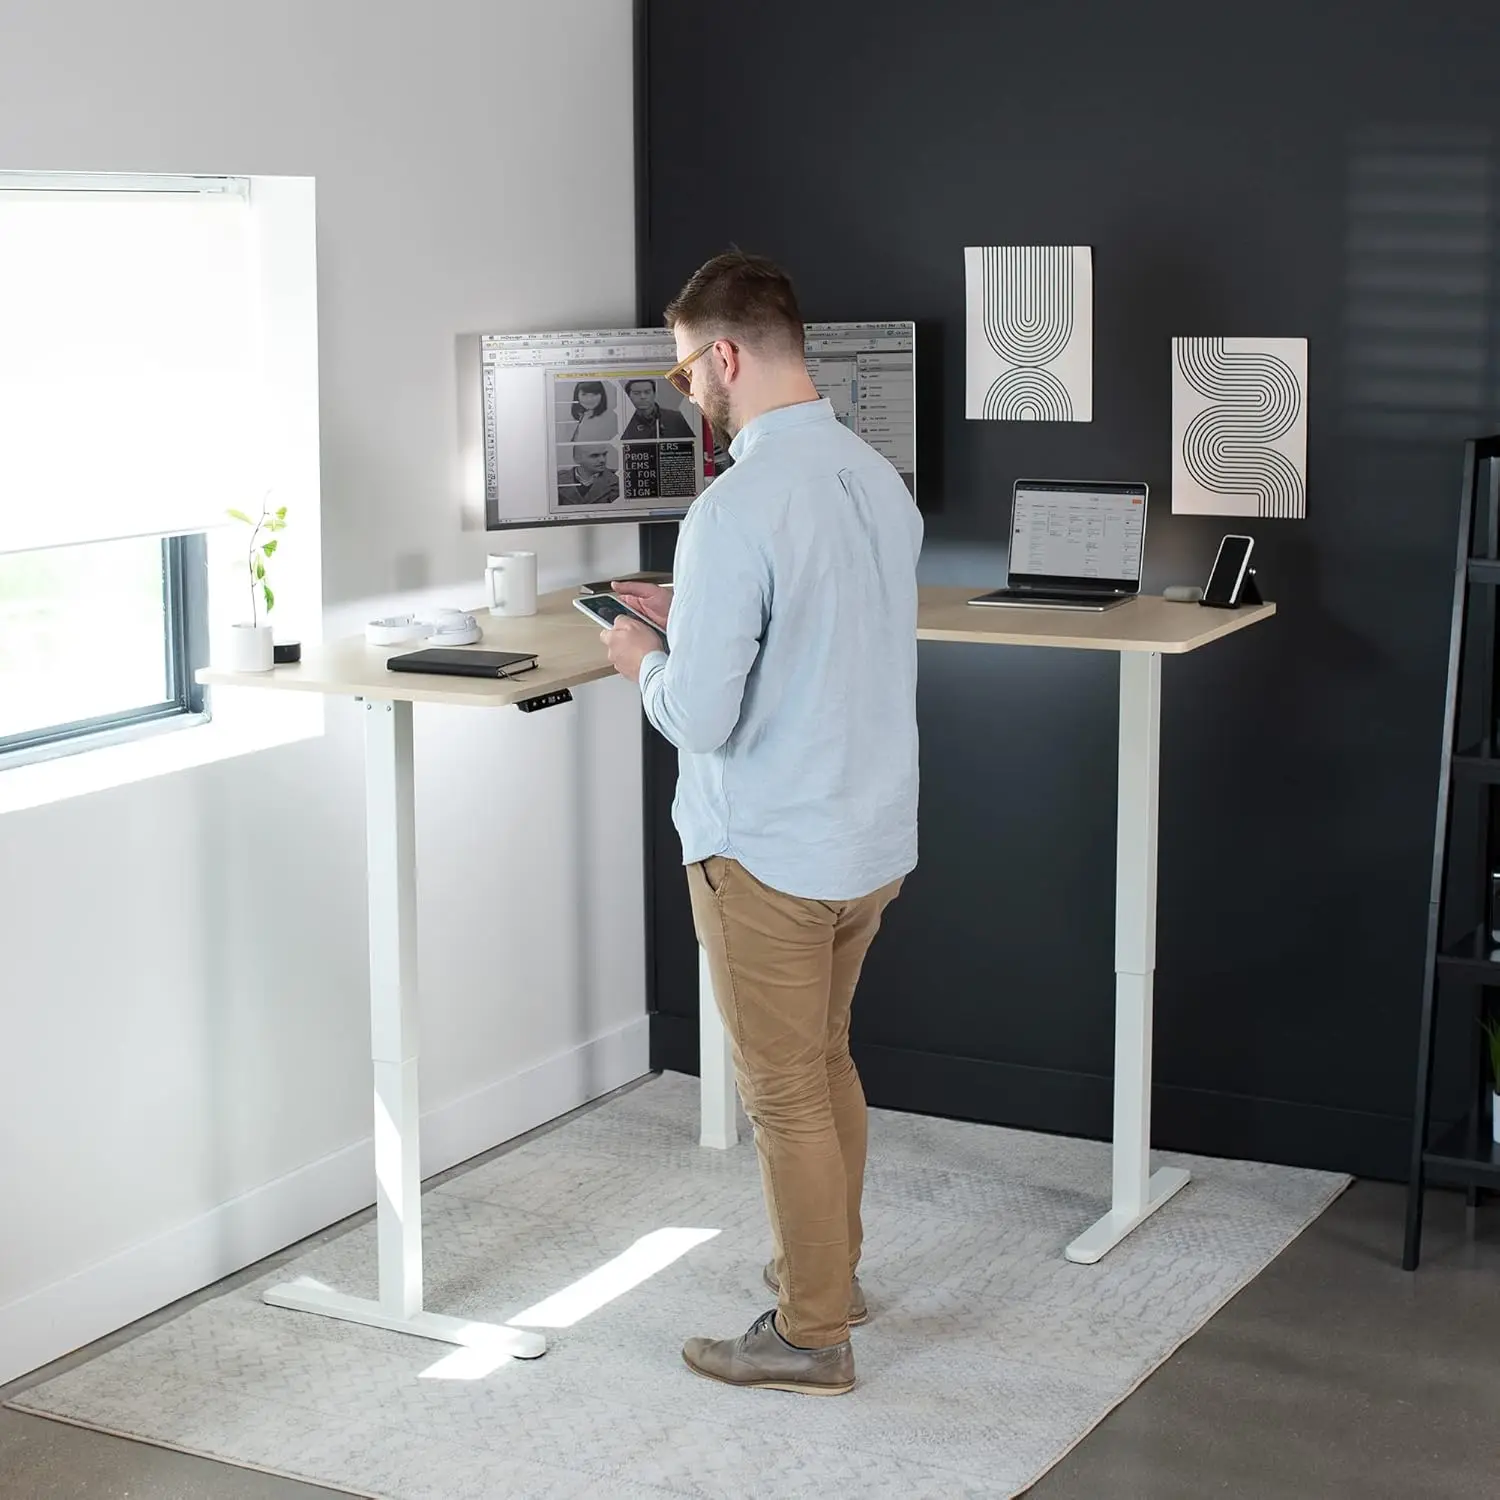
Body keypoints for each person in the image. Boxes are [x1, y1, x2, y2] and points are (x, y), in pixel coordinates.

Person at [599, 250, 922, 1396]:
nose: (692, 394)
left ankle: (809, 1333)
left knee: (781, 1090)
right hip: (869, 842)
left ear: (725, 355)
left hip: (768, 850)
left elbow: (702, 714)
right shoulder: (877, 481)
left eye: (689, 372)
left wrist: (643, 655)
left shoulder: (736, 506)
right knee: (827, 1062)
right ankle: (831, 1276)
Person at [620, 377, 695, 441]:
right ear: (629, 396)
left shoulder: (676, 418)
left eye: (647, 392)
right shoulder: (622, 423)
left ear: (654, 394)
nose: (643, 396)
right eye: (637, 393)